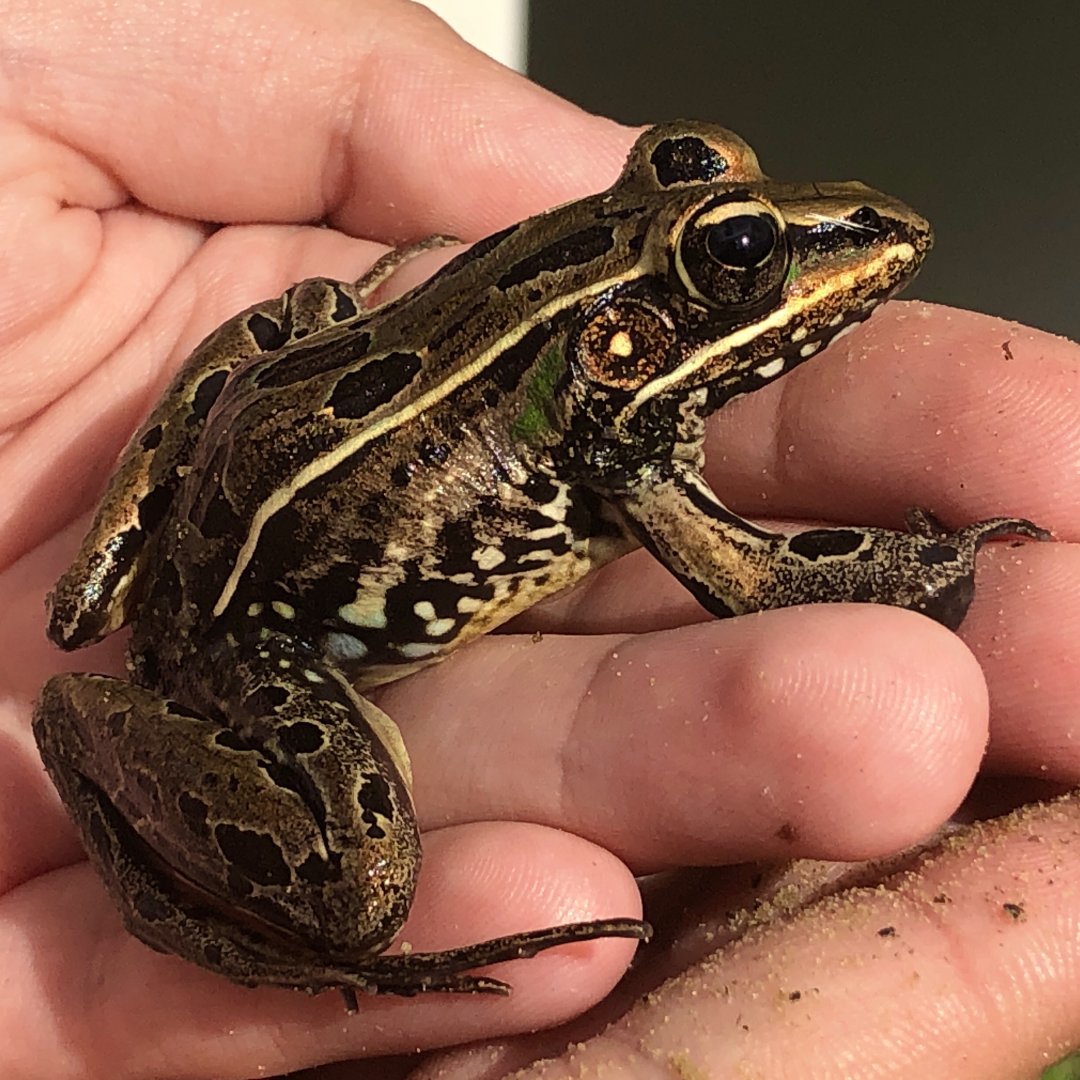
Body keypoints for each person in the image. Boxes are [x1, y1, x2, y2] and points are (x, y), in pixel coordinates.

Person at [2, 1, 1078, 1076]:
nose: (823, 241)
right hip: (255, 657)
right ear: (622, 336)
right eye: (737, 256)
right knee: (363, 894)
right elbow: (748, 576)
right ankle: (187, 921)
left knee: (310, 309)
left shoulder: (612, 408)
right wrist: (924, 561)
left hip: (250, 479)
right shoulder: (621, 433)